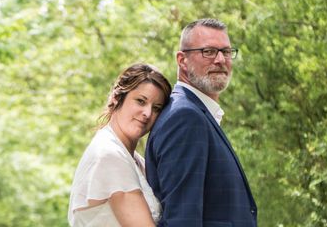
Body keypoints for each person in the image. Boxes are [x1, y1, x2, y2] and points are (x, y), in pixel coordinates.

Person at [145, 18, 258, 226]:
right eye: (208, 51)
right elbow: (183, 219)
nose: (220, 60)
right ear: (182, 60)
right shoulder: (185, 118)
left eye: (226, 51)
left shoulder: (198, 113)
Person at [68, 63, 172, 227]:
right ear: (117, 98)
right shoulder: (110, 155)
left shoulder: (136, 161)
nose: (147, 113)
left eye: (157, 108)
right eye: (140, 101)